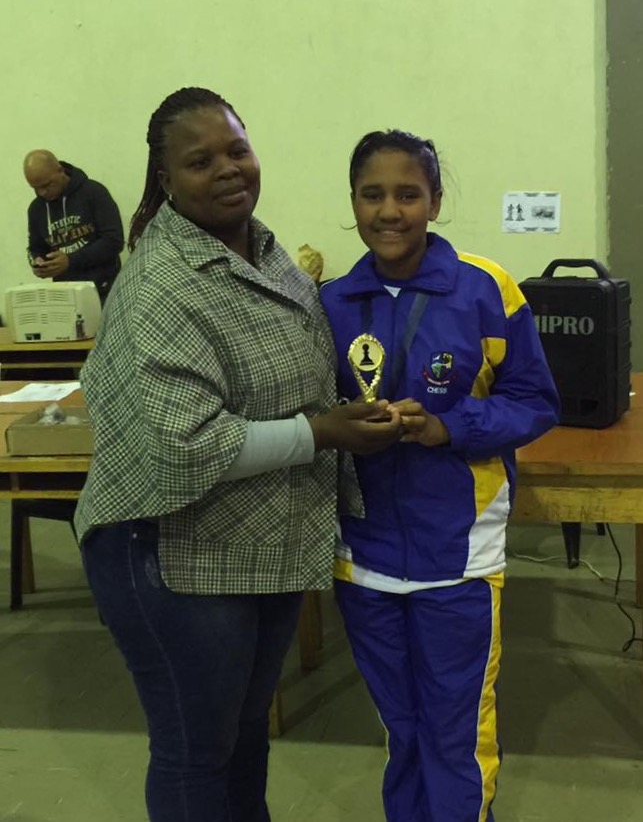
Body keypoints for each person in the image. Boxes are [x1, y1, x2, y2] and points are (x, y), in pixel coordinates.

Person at [74, 87, 403, 822]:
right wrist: (325, 432)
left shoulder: (264, 250)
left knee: (245, 734)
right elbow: (185, 443)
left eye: (237, 150)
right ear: (166, 180)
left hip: (256, 539)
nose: (227, 169)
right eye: (201, 162)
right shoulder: (160, 285)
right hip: (171, 549)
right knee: (196, 751)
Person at [320, 130, 560, 822]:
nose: (389, 211)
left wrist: (447, 427)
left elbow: (534, 402)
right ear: (353, 202)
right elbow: (313, 413)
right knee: (402, 730)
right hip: (363, 557)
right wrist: (343, 424)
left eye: (407, 194)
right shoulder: (331, 302)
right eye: (372, 195)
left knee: (456, 734)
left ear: (434, 200)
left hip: (458, 557)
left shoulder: (484, 289)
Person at [23, 150, 123, 303]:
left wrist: (71, 261)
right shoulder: (36, 209)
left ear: (60, 171)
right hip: (64, 295)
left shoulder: (94, 193)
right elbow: (36, 247)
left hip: (106, 290)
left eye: (47, 185)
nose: (42, 192)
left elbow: (114, 241)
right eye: (35, 188)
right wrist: (38, 262)